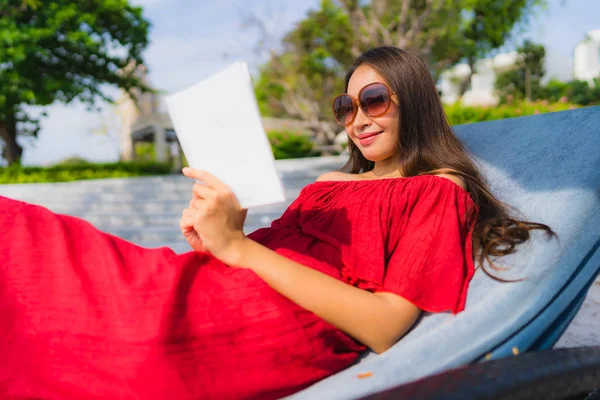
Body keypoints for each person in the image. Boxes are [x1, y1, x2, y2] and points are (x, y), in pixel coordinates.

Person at [0, 46, 555, 400]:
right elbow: (256, 252)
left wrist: (239, 250)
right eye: (347, 106)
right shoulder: (328, 186)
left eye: (375, 100)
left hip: (264, 322)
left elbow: (386, 325)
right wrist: (214, 242)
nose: (358, 119)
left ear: (413, 101)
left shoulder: (435, 191)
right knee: (31, 240)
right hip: (207, 284)